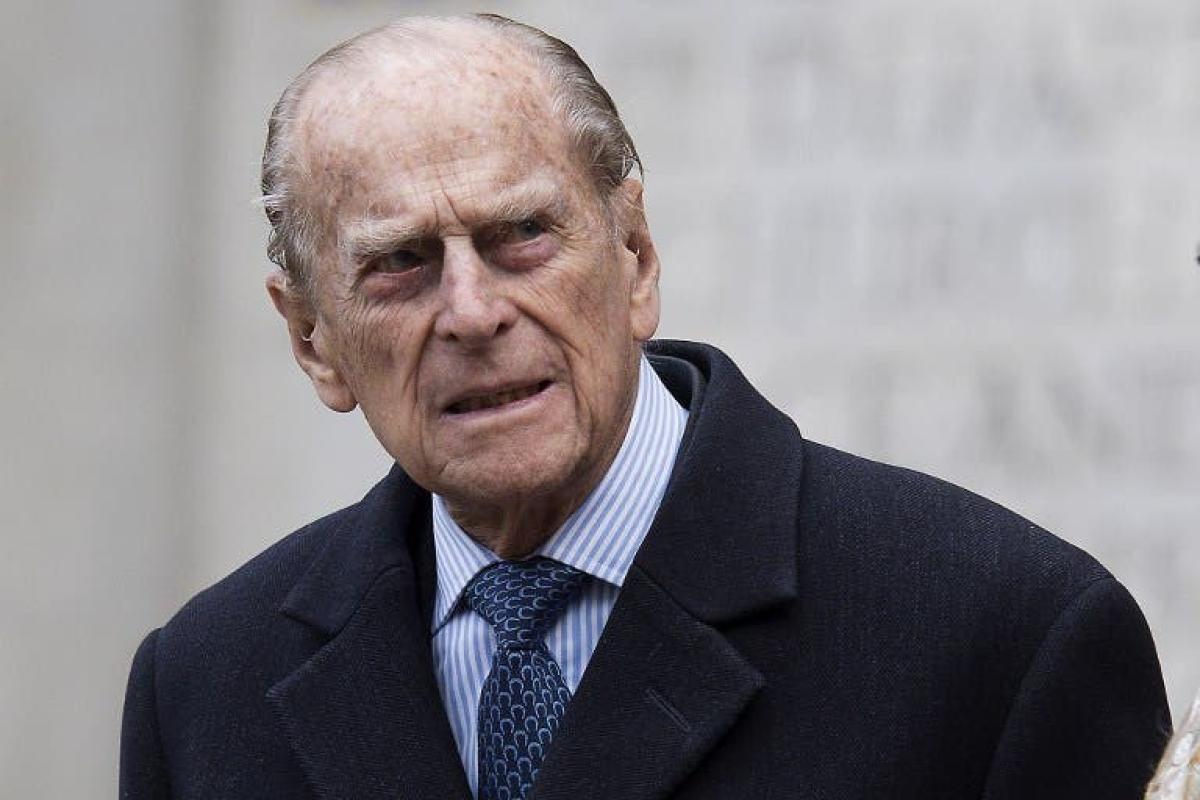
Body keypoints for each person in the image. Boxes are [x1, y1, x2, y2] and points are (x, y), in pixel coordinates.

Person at [120, 14, 1172, 800]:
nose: (473, 311)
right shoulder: (204, 687)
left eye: (522, 235)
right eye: (401, 263)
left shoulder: (1001, 635)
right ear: (313, 338)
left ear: (635, 256)